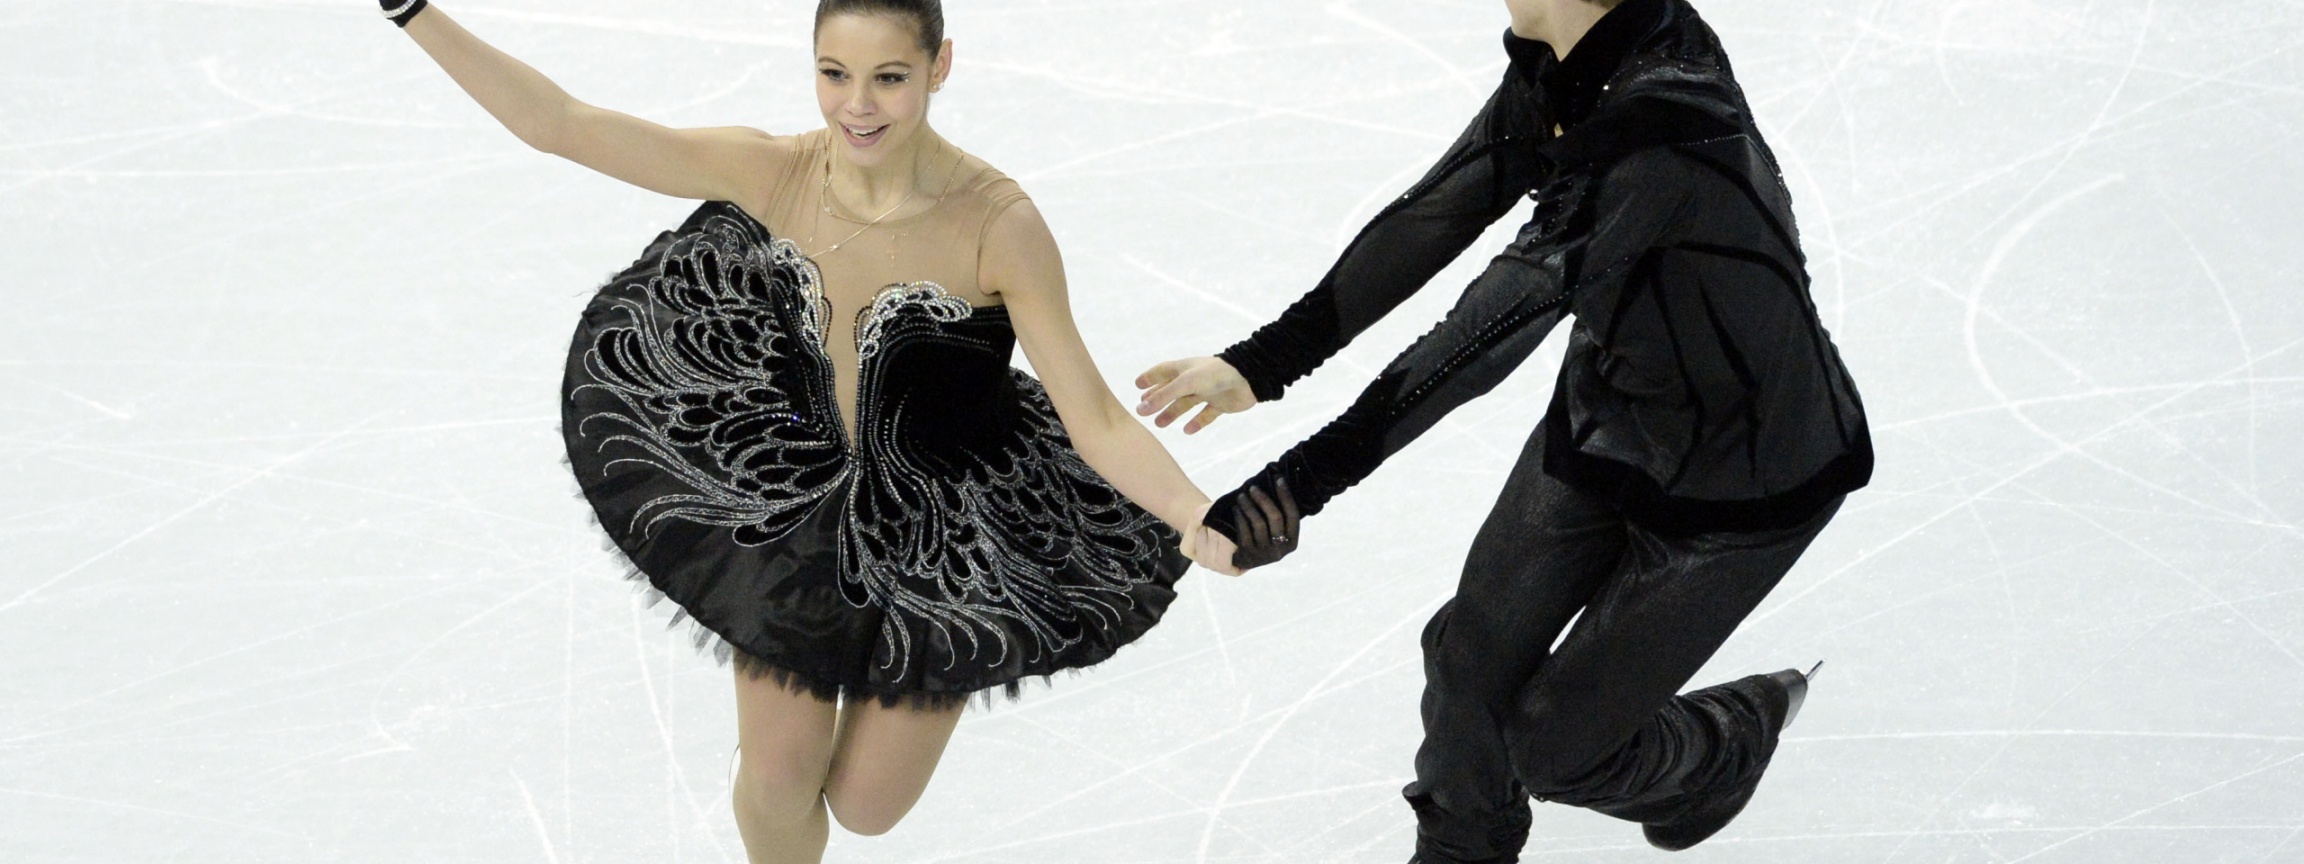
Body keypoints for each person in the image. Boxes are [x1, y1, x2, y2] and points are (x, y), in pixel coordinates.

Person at [378, 1, 1250, 861]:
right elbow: (560, 123)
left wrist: (1195, 510)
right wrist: (411, 10)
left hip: (951, 523)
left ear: (940, 67)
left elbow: (1092, 415)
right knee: (778, 780)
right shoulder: (777, 171)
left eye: (889, 78)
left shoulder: (998, 225)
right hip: (799, 491)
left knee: (868, 810)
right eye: (834, 75)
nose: (856, 105)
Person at [1135, 0, 1872, 859]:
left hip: (1746, 475)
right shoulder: (1575, 56)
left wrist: (1293, 487)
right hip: (1609, 423)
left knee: (1551, 745)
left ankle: (1723, 743)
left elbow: (1476, 343)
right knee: (1464, 669)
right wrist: (1265, 362)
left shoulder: (1654, 129)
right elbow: (1441, 210)